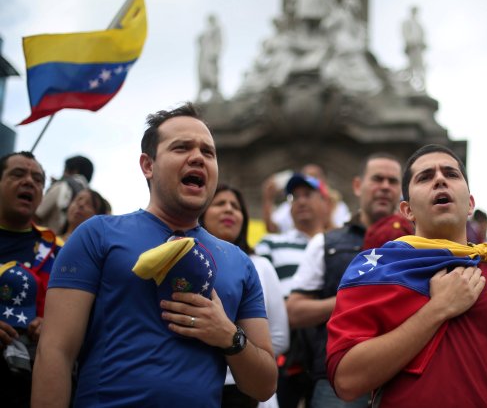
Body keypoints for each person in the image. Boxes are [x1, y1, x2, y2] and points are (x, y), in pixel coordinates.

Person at [31, 103, 277, 407]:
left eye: (208, 152)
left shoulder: (241, 263)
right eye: (182, 147)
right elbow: (55, 351)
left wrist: (229, 336)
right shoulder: (97, 235)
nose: (198, 157)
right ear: (148, 165)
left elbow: (264, 386)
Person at [326, 144, 487, 407]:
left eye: (451, 174)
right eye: (425, 177)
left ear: (470, 204)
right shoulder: (376, 271)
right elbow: (347, 380)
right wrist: (438, 309)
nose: (439, 179)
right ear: (407, 210)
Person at [286, 152, 402, 408]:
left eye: (392, 181)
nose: (384, 187)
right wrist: (355, 298)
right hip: (338, 381)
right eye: (377, 179)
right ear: (358, 186)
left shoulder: (417, 244)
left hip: (403, 378)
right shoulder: (326, 243)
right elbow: (294, 312)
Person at [201, 183, 289, 408]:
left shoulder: (261, 265)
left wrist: (245, 357)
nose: (229, 210)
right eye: (220, 203)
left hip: (248, 392)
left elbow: (279, 335)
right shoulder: (187, 262)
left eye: (236, 206)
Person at [256, 173, 331, 408]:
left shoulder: (340, 245)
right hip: (284, 358)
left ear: (325, 203)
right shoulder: (271, 243)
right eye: (293, 197)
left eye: (308, 195)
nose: (300, 201)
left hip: (329, 353)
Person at [0, 151, 63, 408]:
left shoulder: (61, 252)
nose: (29, 182)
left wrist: (54, 327)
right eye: (18, 174)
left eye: (38, 179)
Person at [35, 155, 93, 234]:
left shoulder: (62, 186)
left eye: (64, 169)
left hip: (46, 242)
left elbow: (37, 214)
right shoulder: (91, 200)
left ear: (73, 170)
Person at [197, 14, 222, 102]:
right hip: (204, 55)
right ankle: (201, 92)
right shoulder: (206, 31)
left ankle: (215, 92)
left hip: (211, 55)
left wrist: (215, 53)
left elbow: (219, 42)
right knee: (203, 73)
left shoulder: (216, 28)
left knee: (212, 73)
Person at [401, 6, 427, 90]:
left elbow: (423, 36)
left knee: (420, 67)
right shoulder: (407, 22)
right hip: (411, 47)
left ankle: (422, 86)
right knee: (411, 66)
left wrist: (422, 44)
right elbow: (405, 33)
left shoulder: (419, 24)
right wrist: (410, 42)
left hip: (418, 48)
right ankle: (408, 85)